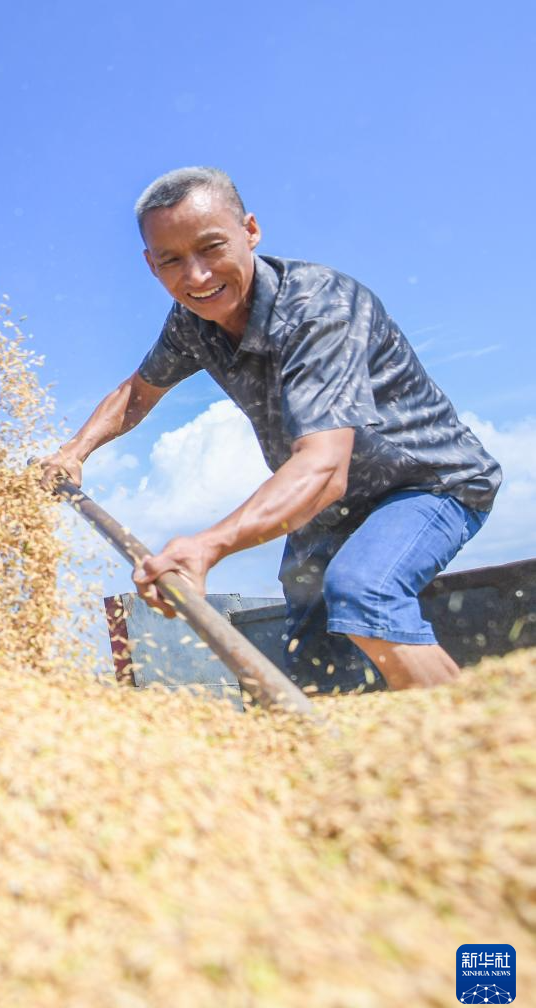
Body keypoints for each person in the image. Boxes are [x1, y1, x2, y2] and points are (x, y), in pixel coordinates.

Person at [40, 167, 501, 692]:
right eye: (171, 260)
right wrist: (75, 451)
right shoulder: (192, 322)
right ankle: (350, 755)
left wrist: (206, 546)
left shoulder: (318, 307)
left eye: (211, 247)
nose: (195, 277)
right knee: (309, 636)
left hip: (426, 483)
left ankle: (473, 746)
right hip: (331, 506)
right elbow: (137, 392)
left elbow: (325, 468)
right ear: (152, 264)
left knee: (362, 589)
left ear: (250, 231)